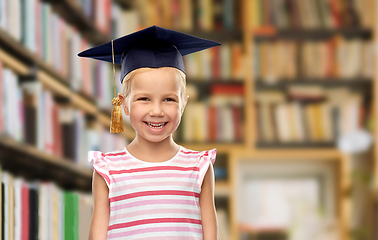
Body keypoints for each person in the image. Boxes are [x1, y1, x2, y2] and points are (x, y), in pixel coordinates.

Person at [78, 25, 221, 240]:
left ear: (183, 103)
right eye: (144, 99)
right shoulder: (107, 169)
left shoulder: (199, 166)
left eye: (169, 99)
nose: (156, 111)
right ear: (124, 104)